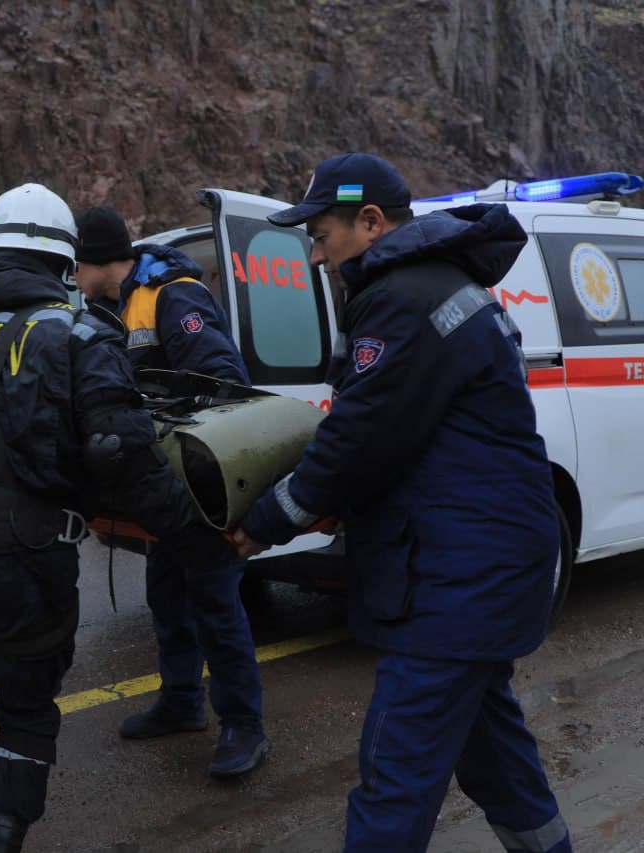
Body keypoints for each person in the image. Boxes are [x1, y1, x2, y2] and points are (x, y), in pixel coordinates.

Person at [0, 183, 227, 852]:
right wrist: (203, 543)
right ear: (64, 263)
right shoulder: (85, 337)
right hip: (34, 564)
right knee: (27, 714)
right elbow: (133, 463)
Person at [232, 152, 571, 852]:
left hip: (461, 576)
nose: (317, 256)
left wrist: (266, 520)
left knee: (395, 772)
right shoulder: (433, 283)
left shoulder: (403, 297)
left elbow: (360, 438)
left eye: (320, 237)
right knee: (492, 751)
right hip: (482, 563)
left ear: (369, 221)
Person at [72, 205, 270, 777]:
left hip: (199, 488)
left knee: (215, 606)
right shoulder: (111, 308)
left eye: (75, 265)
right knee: (167, 597)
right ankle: (182, 702)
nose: (72, 277)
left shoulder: (172, 297)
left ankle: (244, 726)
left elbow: (222, 383)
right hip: (162, 489)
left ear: (94, 261)